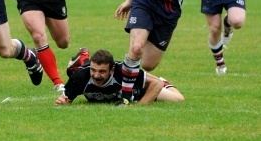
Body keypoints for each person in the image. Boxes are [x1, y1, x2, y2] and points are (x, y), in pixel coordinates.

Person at [55, 48, 184, 105]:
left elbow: (157, 85)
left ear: (111, 70)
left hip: (139, 92)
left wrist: (140, 106)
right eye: (93, 70)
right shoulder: (80, 77)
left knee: (178, 99)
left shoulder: (123, 72)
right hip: (81, 71)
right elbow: (66, 100)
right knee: (72, 71)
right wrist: (62, 102)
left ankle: (159, 78)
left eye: (102, 71)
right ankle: (82, 59)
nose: (96, 75)